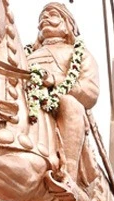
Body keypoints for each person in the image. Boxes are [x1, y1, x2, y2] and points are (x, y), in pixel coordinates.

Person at [26, 3, 98, 184]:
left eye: (53, 14)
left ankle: (69, 175)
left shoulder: (77, 53)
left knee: (70, 105)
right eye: (42, 16)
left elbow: (90, 91)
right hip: (28, 100)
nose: (45, 19)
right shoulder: (26, 54)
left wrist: (56, 79)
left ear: (68, 25)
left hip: (58, 102)